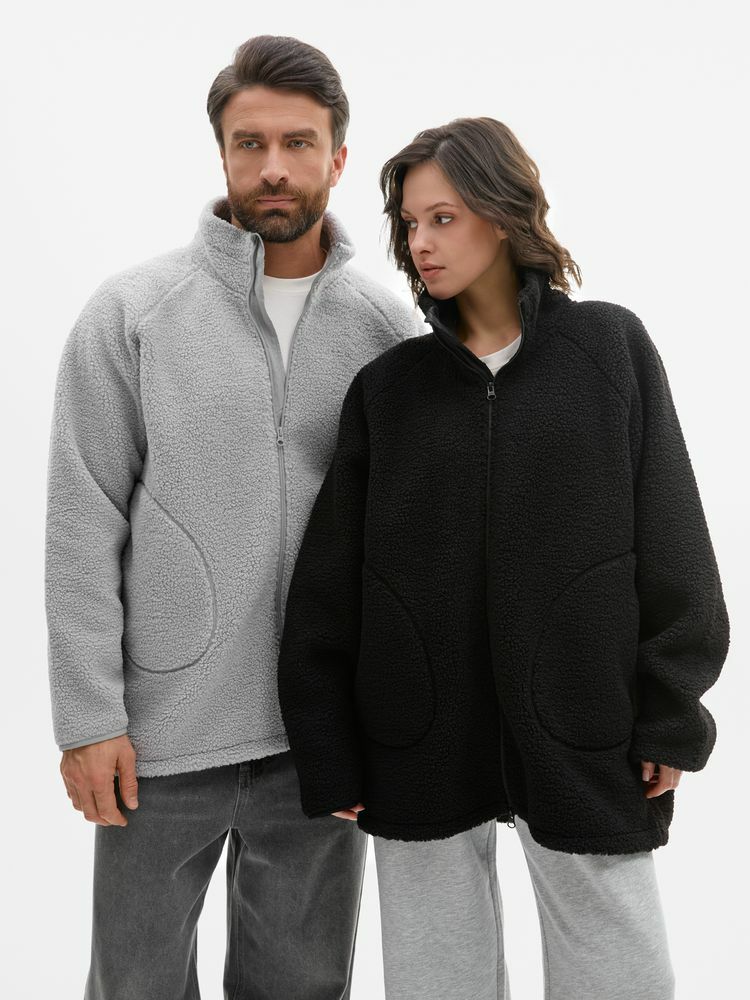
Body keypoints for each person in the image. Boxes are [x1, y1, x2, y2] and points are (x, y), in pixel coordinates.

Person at [277, 117, 730, 999]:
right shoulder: (389, 392)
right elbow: (328, 587)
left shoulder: (609, 350)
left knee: (622, 975)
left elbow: (676, 543)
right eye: (411, 223)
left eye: (443, 218)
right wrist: (328, 745)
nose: (421, 242)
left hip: (586, 729)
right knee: (436, 980)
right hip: (415, 738)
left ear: (502, 211)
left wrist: (670, 713)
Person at [44, 34, 419, 1000]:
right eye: (249, 143)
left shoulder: (388, 336)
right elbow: (82, 524)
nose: (273, 167)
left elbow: (413, 550)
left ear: (339, 157)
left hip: (320, 748)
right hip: (157, 744)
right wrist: (88, 718)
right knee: (132, 987)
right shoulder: (133, 315)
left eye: (298, 142)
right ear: (221, 153)